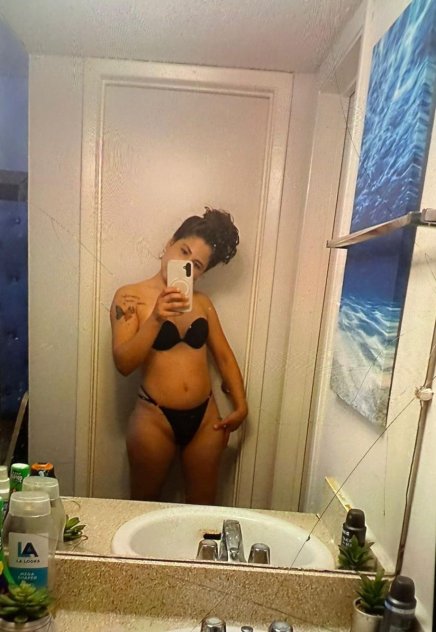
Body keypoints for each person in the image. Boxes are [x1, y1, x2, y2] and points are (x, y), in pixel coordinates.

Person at [110, 207, 248, 504]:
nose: (186, 264)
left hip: (206, 419)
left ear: (202, 273)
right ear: (169, 243)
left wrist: (241, 405)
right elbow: (123, 363)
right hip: (154, 418)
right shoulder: (129, 297)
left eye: (196, 265)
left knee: (203, 510)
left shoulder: (203, 303)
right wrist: (156, 318)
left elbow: (224, 357)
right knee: (143, 507)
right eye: (183, 251)